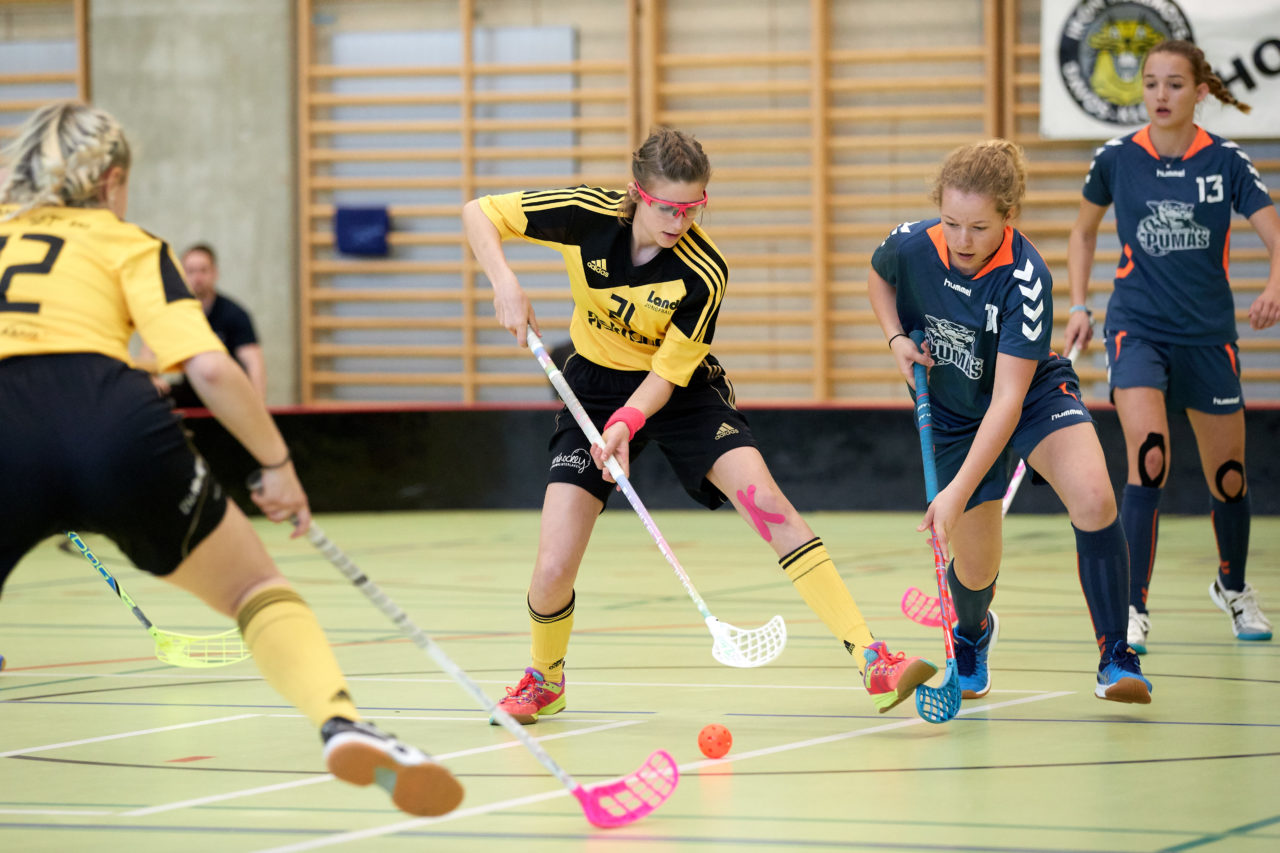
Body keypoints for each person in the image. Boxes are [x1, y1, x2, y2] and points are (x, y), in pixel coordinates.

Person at [0, 101, 463, 817]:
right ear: (111, 179)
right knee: (255, 588)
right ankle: (340, 720)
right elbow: (210, 368)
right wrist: (278, 465)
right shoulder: (128, 241)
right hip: (113, 421)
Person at [462, 127, 938, 723]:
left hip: (682, 391)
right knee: (554, 563)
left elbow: (667, 375)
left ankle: (871, 657)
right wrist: (504, 282)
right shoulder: (586, 215)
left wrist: (627, 424)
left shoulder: (703, 271)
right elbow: (479, 212)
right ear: (636, 193)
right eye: (666, 207)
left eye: (693, 207)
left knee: (767, 503)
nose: (679, 221)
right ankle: (545, 679)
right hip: (592, 387)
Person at [868, 139, 1152, 704]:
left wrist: (954, 494)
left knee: (1095, 497)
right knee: (976, 569)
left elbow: (1007, 401)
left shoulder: (1026, 278)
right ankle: (973, 634)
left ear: (1009, 216)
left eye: (978, 227)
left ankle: (1116, 657)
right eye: (951, 223)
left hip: (1029, 394)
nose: (962, 240)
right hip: (952, 410)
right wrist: (895, 337)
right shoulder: (911, 243)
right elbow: (880, 277)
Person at [1066, 40, 1279, 651]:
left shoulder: (1226, 161)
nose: (1160, 94)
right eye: (1151, 83)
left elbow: (1275, 237)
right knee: (1150, 456)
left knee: (1229, 477)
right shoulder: (1116, 158)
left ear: (1200, 92)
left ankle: (1233, 588)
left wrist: (1274, 286)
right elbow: (1083, 233)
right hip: (1137, 328)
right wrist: (1079, 305)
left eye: (1175, 84)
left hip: (1208, 337)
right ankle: (1132, 606)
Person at [139, 243, 266, 407]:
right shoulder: (173, 313)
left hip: (228, 391)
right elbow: (148, 353)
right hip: (192, 389)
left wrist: (258, 404)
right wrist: (152, 379)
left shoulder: (234, 314)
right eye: (191, 271)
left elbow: (254, 363)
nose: (197, 278)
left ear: (215, 273)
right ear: (181, 275)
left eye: (203, 270)